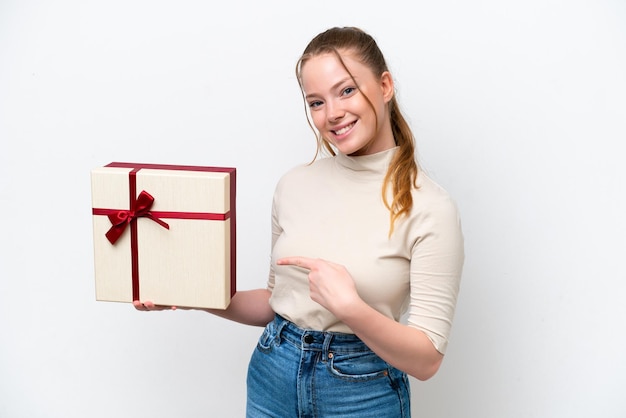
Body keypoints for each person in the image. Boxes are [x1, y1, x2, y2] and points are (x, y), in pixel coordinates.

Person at [135, 26, 464, 417]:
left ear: (385, 85)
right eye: (315, 102)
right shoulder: (294, 184)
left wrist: (350, 306)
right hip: (272, 372)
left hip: (362, 392)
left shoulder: (430, 207)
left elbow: (427, 360)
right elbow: (275, 303)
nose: (333, 113)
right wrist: (193, 296)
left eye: (346, 90)